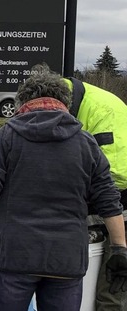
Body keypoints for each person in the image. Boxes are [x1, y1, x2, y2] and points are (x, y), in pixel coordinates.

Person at [0, 69, 127, 311]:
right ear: (65, 102)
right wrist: (119, 247)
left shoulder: (8, 135)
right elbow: (108, 198)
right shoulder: (86, 143)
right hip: (66, 259)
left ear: (23, 100)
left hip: (15, 255)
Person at [64, 75, 127, 310]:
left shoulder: (102, 112)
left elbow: (115, 176)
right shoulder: (80, 104)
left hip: (121, 195)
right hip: (111, 194)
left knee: (116, 271)